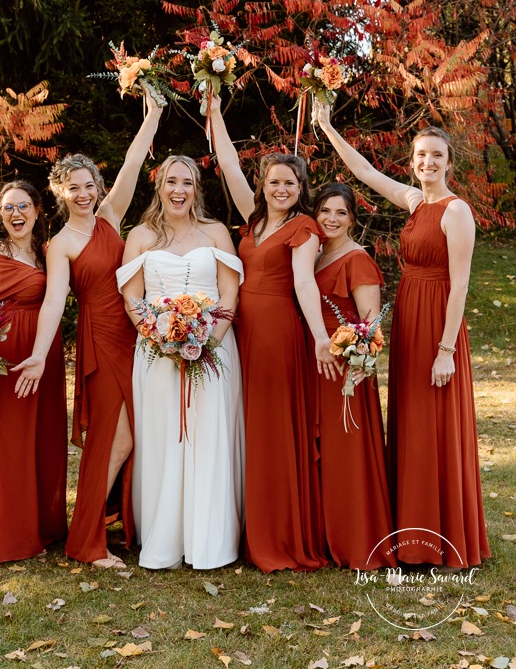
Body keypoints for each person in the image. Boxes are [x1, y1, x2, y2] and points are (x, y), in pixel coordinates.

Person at [315, 103, 490, 566]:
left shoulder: (457, 212)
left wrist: (446, 350)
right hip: (409, 318)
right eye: (420, 156)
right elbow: (366, 171)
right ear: (412, 161)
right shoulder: (415, 201)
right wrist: (328, 127)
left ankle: (442, 535)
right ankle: (411, 533)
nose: (427, 163)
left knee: (435, 421)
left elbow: (461, 285)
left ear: (449, 162)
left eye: (436, 156)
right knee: (410, 420)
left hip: (438, 324)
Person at [13, 88, 164, 568]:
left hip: (138, 332)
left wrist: (154, 113)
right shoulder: (60, 244)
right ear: (59, 193)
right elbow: (56, 301)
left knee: (140, 432)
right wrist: (39, 352)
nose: (84, 193)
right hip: (101, 337)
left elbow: (134, 164)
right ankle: (87, 539)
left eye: (89, 185)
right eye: (73, 187)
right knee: (115, 439)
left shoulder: (110, 218)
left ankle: (119, 524)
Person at [208, 96, 335, 572]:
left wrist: (321, 337)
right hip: (243, 331)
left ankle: (279, 535)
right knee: (249, 427)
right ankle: (249, 527)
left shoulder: (303, 226)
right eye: (273, 181)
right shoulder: (255, 221)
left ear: (301, 187)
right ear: (263, 185)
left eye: (290, 182)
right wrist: (216, 112)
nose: (281, 188)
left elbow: (303, 282)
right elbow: (229, 167)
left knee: (273, 430)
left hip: (280, 331)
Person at [116, 155, 244, 570]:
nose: (179, 190)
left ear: (196, 189)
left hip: (214, 349)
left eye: (187, 183)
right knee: (164, 439)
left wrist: (207, 344)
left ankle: (211, 539)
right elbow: (132, 300)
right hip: (157, 354)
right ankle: (165, 537)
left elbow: (230, 293)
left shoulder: (216, 232)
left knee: (208, 436)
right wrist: (163, 340)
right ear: (159, 186)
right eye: (171, 181)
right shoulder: (139, 236)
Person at [0, 180, 67, 562]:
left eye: (23, 206)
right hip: (9, 356)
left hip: (45, 351)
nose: (16, 214)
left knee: (43, 439)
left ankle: (45, 526)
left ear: (37, 210)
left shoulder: (47, 254)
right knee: (11, 444)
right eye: (9, 207)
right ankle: (12, 535)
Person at [312, 182, 395, 569]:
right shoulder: (313, 255)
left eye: (341, 212)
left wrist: (355, 367)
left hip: (345, 371)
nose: (331, 218)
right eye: (325, 211)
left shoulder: (356, 259)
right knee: (321, 451)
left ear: (352, 219)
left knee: (347, 451)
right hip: (313, 363)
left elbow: (370, 326)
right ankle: (323, 536)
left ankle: (357, 538)